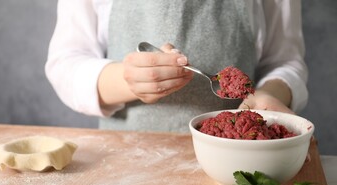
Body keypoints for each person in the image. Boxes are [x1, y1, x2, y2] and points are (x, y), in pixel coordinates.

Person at [45, 0, 308, 132]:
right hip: (125, 160)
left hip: (239, 159)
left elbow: (285, 61)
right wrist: (127, 80)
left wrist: (270, 94)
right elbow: (65, 62)